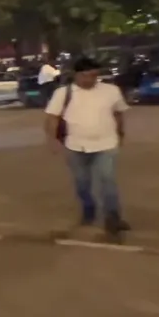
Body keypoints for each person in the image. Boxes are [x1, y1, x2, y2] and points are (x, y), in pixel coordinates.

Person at [44, 56, 131, 241]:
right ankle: (88, 209)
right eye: (85, 76)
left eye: (94, 76)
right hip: (75, 146)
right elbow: (52, 118)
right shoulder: (63, 93)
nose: (90, 80)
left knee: (108, 181)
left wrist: (121, 133)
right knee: (82, 183)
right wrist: (52, 140)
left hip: (106, 143)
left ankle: (113, 218)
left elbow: (118, 113)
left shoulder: (111, 91)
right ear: (76, 75)